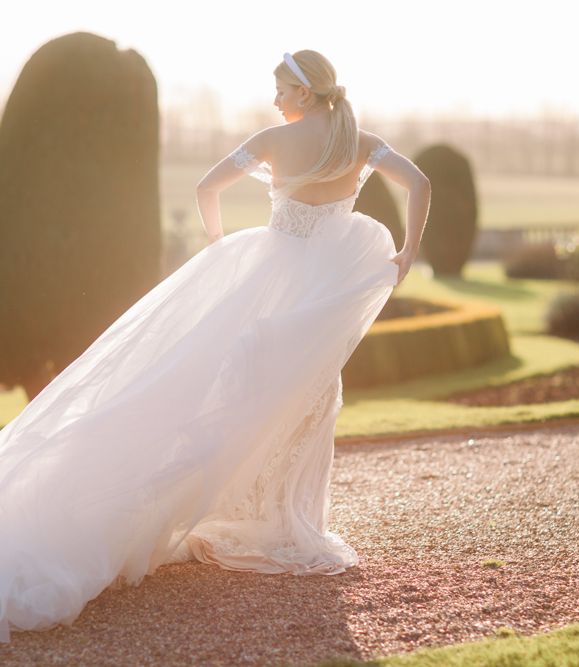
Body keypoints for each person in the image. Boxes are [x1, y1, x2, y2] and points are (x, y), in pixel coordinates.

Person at [0, 49, 430, 643]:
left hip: (267, 275)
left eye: (281, 89)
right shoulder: (356, 138)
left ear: (304, 94)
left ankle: (238, 514)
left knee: (217, 388)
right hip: (320, 290)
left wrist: (224, 246)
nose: (275, 98)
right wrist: (408, 250)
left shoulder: (275, 140)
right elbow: (419, 182)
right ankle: (280, 523)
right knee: (306, 401)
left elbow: (209, 187)